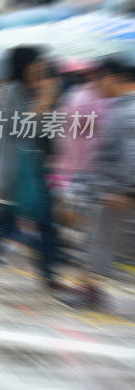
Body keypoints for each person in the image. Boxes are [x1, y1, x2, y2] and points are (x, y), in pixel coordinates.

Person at [0, 46, 60, 293]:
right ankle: (47, 276)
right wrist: (44, 100)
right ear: (24, 66)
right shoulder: (9, 92)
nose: (40, 69)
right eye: (37, 64)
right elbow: (20, 129)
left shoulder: (28, 91)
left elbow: (43, 131)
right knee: (20, 222)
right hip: (15, 170)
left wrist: (46, 102)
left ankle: (47, 275)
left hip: (30, 168)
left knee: (29, 222)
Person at [60, 55, 135, 309]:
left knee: (99, 241)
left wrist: (127, 191)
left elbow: (131, 154)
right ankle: (89, 290)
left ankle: (90, 292)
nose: (96, 86)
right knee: (97, 241)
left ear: (112, 79)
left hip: (117, 192)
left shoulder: (127, 110)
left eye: (99, 80)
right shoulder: (120, 107)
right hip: (112, 190)